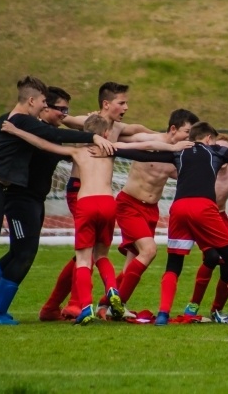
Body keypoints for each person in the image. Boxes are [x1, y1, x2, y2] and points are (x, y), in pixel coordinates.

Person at [0, 76, 113, 324]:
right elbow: (49, 134)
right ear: (33, 101)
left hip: (7, 191)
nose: (61, 113)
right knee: (5, 250)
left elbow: (47, 139)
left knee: (3, 249)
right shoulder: (24, 122)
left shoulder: (16, 123)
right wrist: (92, 137)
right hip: (1, 191)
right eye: (48, 104)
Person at [1, 114, 190, 325]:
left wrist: (16, 131)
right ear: (106, 133)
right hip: (108, 204)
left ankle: (86, 307)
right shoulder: (110, 148)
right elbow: (146, 145)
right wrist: (173, 148)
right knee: (102, 256)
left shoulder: (77, 151)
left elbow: (44, 144)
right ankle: (112, 290)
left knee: (83, 259)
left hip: (86, 203)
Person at [119, 121, 228, 326]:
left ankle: (162, 314)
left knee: (174, 265)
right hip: (204, 207)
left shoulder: (179, 151)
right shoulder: (215, 150)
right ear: (208, 138)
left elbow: (144, 155)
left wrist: (113, 150)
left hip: (178, 208)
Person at [46, 81, 156, 320]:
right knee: (90, 252)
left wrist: (170, 137)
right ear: (106, 104)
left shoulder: (119, 128)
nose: (126, 107)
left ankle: (62, 305)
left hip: (96, 196)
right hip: (80, 190)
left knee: (85, 252)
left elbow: (142, 132)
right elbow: (61, 118)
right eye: (121, 103)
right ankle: (74, 304)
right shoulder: (86, 121)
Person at [0, 86, 82, 324]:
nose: (64, 114)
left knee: (19, 252)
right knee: (24, 253)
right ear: (44, 106)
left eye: (67, 110)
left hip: (36, 201)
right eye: (60, 109)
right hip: (18, 200)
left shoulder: (49, 133)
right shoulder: (29, 130)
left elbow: (71, 141)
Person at [182, 133, 228, 321]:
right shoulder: (204, 167)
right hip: (203, 218)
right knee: (211, 257)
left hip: (221, 217)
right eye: (217, 148)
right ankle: (193, 305)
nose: (221, 152)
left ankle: (216, 310)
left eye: (225, 149)